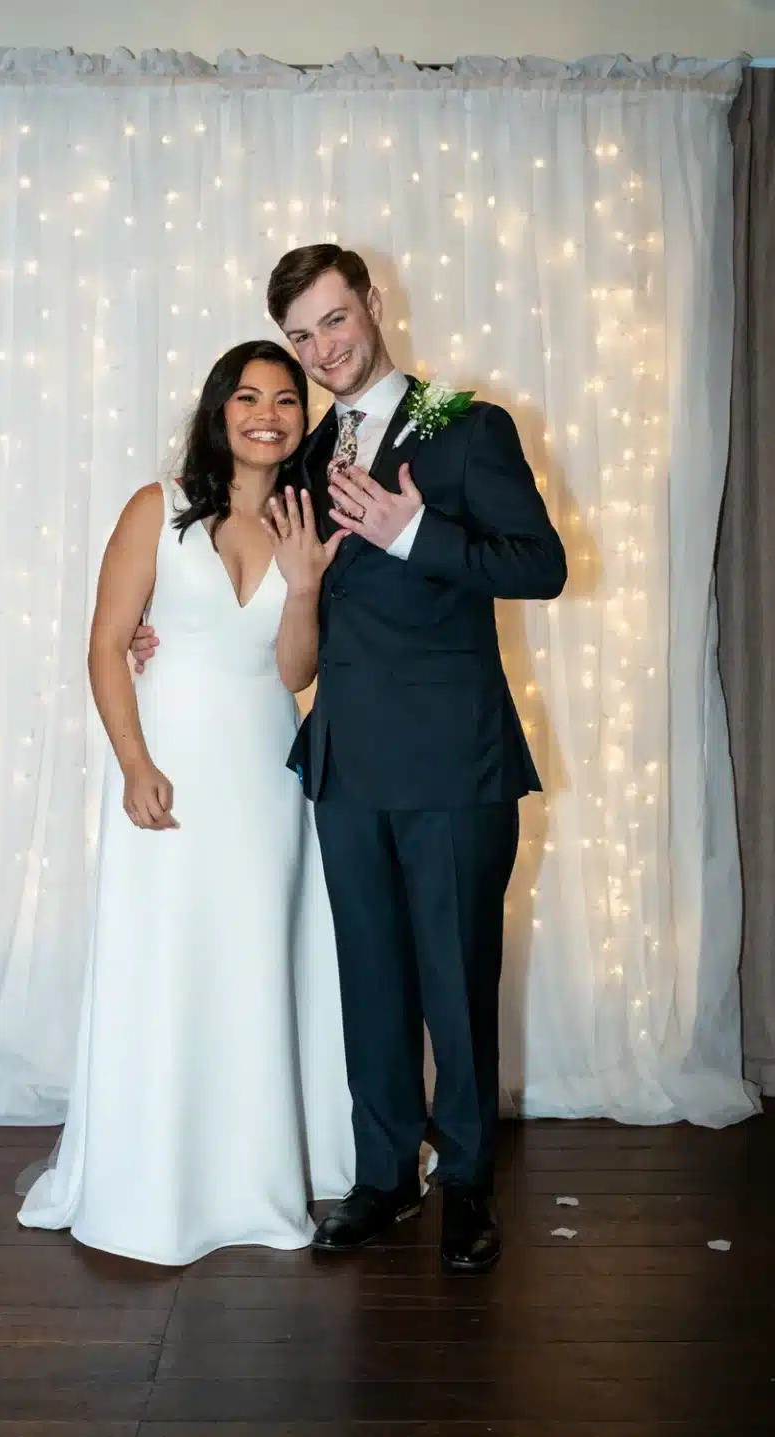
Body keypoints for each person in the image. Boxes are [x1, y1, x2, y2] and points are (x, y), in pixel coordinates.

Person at [133, 247, 567, 1275]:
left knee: (456, 983)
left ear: (371, 306)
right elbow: (255, 567)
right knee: (370, 980)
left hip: (455, 762)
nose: (321, 350)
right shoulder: (300, 449)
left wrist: (418, 533)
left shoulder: (469, 428)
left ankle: (465, 1186)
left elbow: (539, 564)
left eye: (334, 322)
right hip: (343, 760)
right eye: (300, 334)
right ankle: (384, 1178)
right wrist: (160, 626)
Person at [17, 340, 355, 1266]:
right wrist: (134, 763)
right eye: (247, 396)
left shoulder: (305, 520)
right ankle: (155, 1172)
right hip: (168, 770)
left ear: (301, 422)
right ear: (219, 411)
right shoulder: (155, 510)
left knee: (254, 961)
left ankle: (253, 1172)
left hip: (262, 775)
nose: (267, 413)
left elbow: (294, 672)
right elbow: (105, 644)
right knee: (165, 959)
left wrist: (304, 587)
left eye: (286, 400)